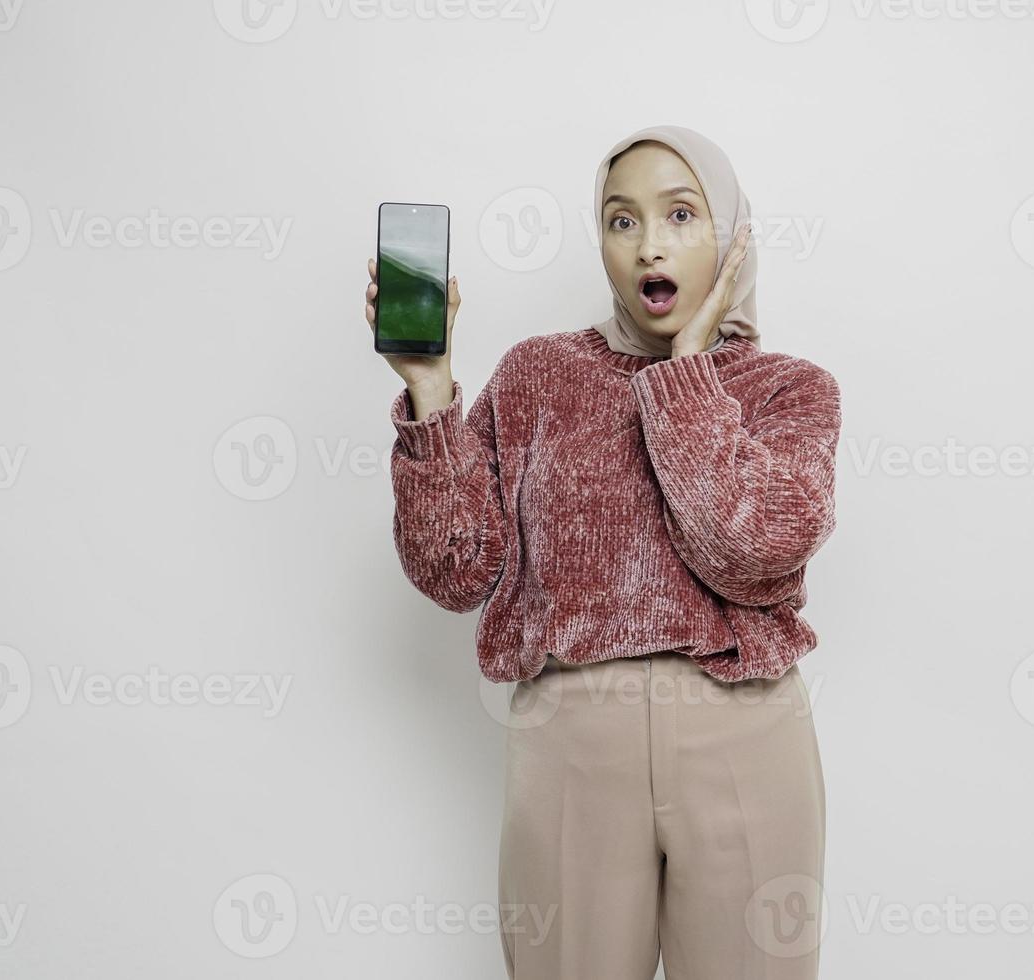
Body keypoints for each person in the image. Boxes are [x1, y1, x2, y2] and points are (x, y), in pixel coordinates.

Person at [365, 124, 841, 979]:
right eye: (621, 221)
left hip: (743, 731)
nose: (649, 243)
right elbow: (454, 570)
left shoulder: (790, 391)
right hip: (570, 743)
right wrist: (431, 393)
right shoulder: (536, 376)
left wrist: (690, 368)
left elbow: (749, 549)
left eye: (681, 215)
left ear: (731, 235)